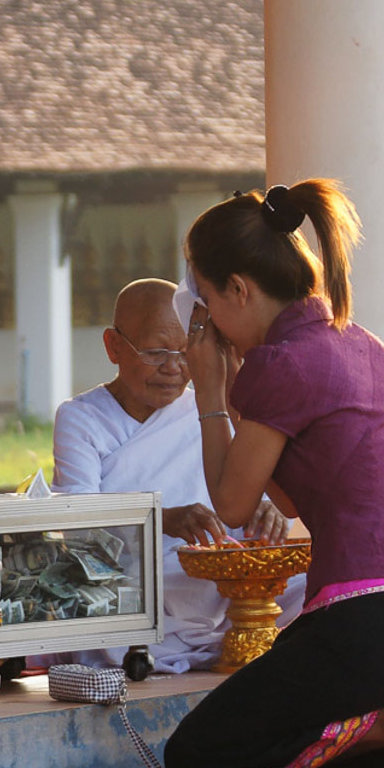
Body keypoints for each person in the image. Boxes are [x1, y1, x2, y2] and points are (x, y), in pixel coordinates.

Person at [160, 181, 384, 768]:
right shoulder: (360, 343)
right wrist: (240, 394)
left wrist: (210, 393)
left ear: (239, 289)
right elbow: (290, 498)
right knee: (291, 716)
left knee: (195, 752)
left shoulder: (284, 362)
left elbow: (235, 505)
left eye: (207, 301)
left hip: (371, 623)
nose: (206, 323)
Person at [50, 278, 299, 674]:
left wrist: (266, 508)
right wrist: (163, 519)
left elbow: (248, 479)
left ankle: (235, 635)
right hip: (145, 577)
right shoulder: (81, 417)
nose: (172, 368)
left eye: (184, 353)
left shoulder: (207, 407)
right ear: (114, 346)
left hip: (219, 573)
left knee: (312, 584)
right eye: (154, 352)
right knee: (101, 619)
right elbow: (77, 519)